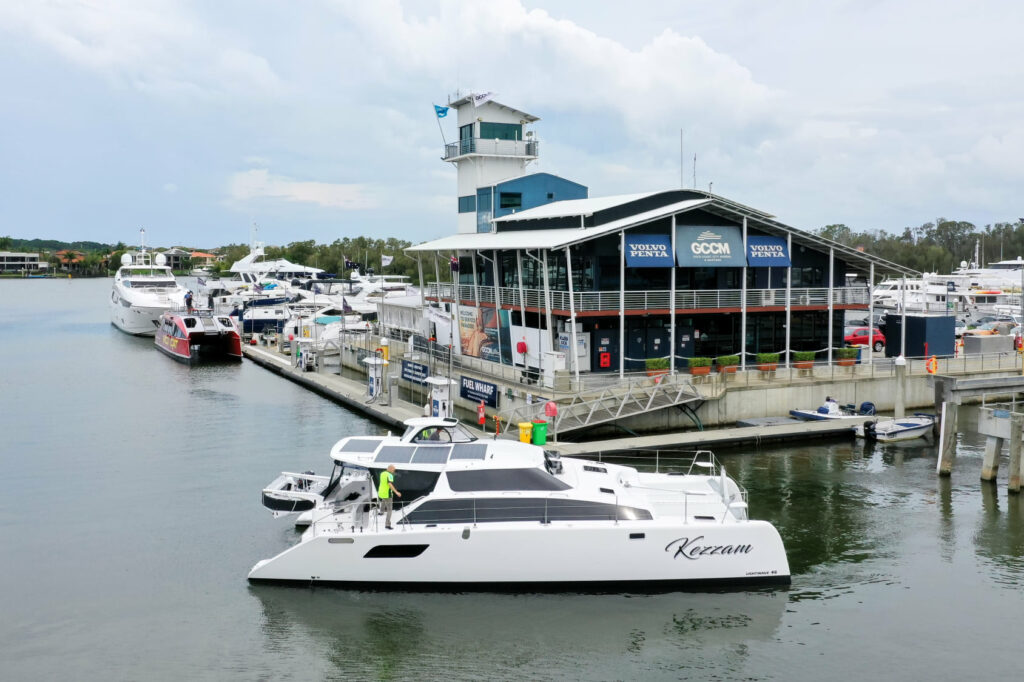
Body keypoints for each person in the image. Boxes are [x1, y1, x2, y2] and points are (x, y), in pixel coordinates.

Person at [377, 464, 401, 529]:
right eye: (393, 469)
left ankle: (381, 512)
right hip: (387, 493)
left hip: (381, 492)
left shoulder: (382, 473)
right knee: (389, 509)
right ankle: (387, 525)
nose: (394, 471)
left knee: (383, 500)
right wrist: (396, 492)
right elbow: (389, 484)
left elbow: (383, 482)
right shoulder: (390, 475)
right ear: (390, 469)